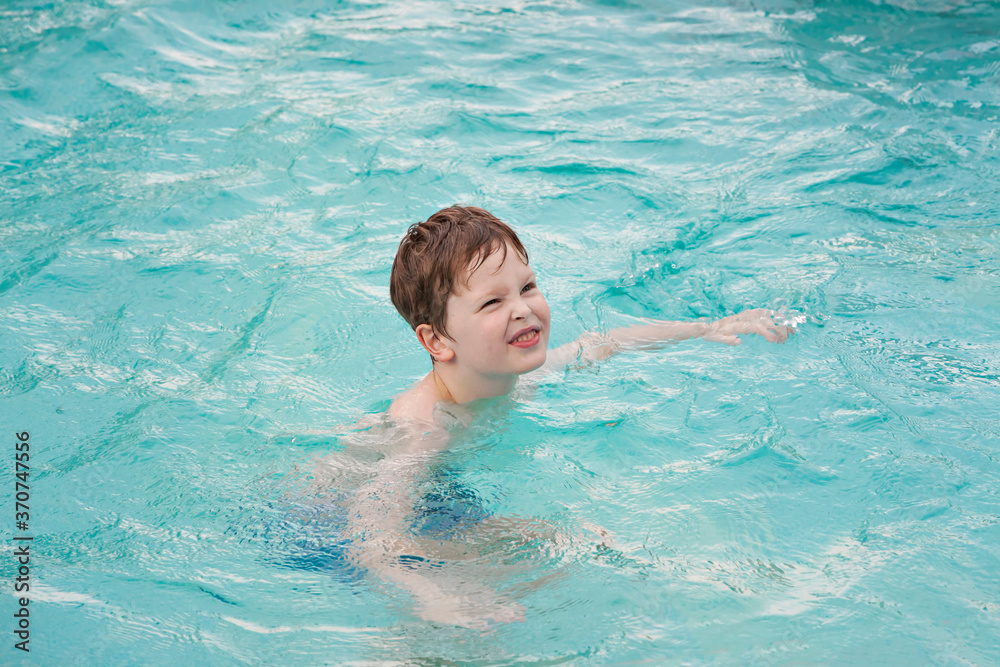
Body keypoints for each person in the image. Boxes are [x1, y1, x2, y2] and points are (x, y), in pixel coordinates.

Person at [340, 205, 794, 629]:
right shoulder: (425, 428)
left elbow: (602, 343)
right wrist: (432, 595)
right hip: (332, 532)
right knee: (534, 570)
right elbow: (370, 538)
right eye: (491, 303)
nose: (521, 308)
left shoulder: (512, 380)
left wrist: (706, 328)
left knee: (572, 544)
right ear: (437, 341)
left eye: (527, 287)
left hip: (440, 508)